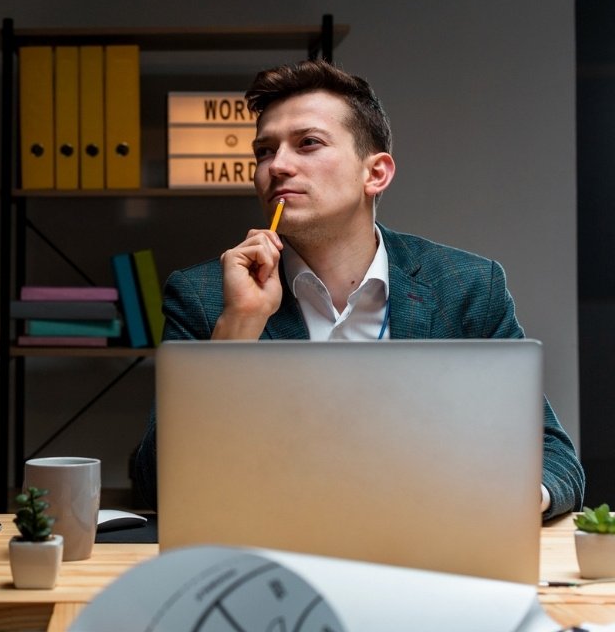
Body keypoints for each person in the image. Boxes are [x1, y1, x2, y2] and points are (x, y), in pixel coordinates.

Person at [132, 59, 585, 520]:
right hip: (272, 559)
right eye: (264, 152)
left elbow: (553, 456)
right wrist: (240, 326)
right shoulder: (205, 295)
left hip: (425, 551)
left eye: (308, 143)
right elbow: (157, 484)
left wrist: (513, 498)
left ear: (376, 174)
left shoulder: (466, 286)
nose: (278, 166)